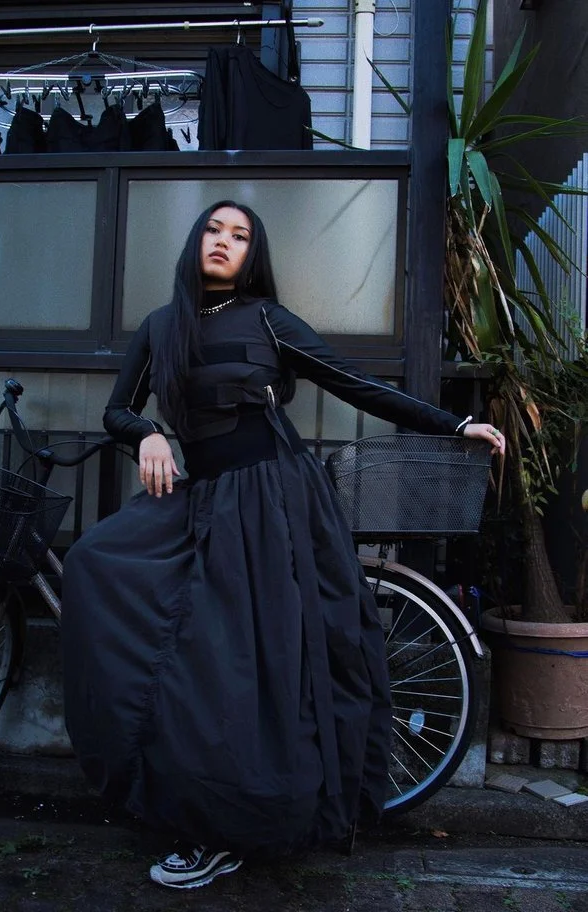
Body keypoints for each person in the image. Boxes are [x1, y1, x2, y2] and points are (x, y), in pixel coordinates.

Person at [60, 201, 506, 890]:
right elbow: (117, 409)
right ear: (196, 240)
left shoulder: (266, 318)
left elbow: (354, 383)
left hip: (272, 500)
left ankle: (231, 826)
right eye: (215, 230)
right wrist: (147, 433)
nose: (224, 242)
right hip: (204, 499)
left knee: (240, 663)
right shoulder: (160, 326)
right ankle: (198, 801)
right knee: (94, 563)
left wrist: (455, 425)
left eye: (240, 236)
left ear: (252, 255)